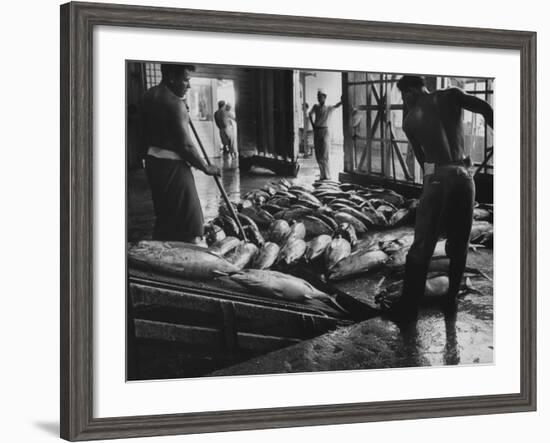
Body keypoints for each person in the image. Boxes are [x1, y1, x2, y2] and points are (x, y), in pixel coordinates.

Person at [389, 75, 493, 321]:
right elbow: (486, 109)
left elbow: (423, 160)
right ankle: (450, 300)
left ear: (411, 91)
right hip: (464, 177)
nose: (404, 101)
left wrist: (429, 188)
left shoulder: (409, 121)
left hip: (437, 177)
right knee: (459, 243)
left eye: (404, 96)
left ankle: (408, 308)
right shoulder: (452, 95)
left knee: (422, 246)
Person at [141, 63, 220, 243]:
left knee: (165, 213)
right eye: (186, 80)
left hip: (154, 163)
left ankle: (164, 250)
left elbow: (147, 131)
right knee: (191, 222)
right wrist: (206, 167)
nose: (189, 85)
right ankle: (188, 257)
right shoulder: (175, 104)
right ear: (171, 77)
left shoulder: (148, 96)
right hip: (173, 165)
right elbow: (186, 146)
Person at [308, 88, 342, 180]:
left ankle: (327, 175)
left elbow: (337, 106)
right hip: (317, 131)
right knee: (318, 154)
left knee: (324, 153)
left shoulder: (328, 107)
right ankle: (322, 174)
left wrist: (342, 100)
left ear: (325, 97)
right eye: (317, 96)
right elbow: (310, 114)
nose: (318, 98)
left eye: (320, 97)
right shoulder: (316, 106)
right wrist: (313, 125)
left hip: (325, 131)